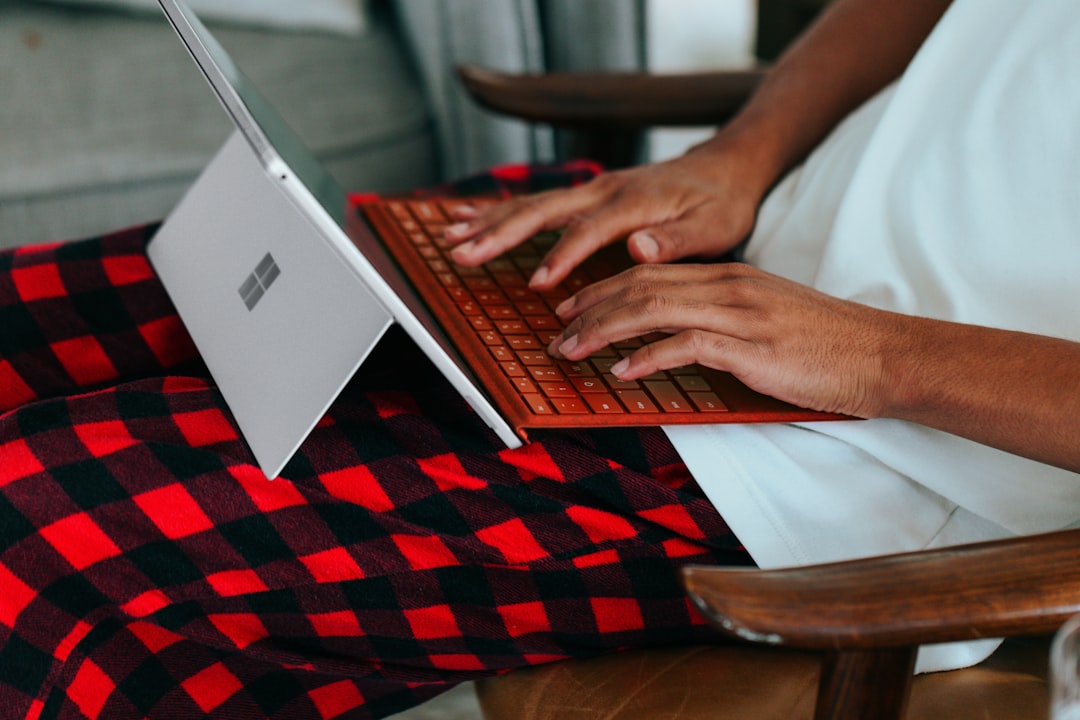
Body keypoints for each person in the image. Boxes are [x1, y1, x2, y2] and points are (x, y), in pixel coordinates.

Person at [0, 0, 1076, 719]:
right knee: (30, 317)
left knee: (31, 523)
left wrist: (876, 353)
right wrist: (737, 158)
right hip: (713, 258)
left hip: (862, 452)